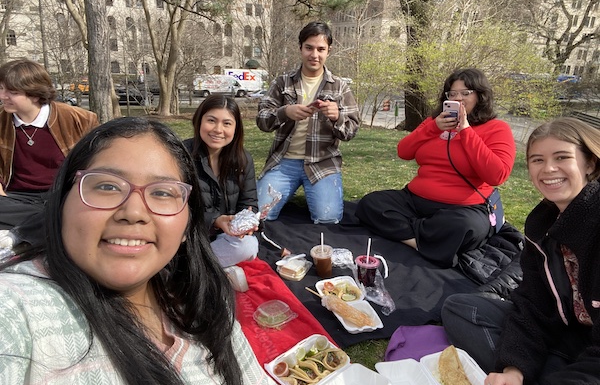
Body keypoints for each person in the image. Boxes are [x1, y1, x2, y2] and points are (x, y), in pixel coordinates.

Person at [0, 117, 278, 385]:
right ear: (61, 202)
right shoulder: (17, 310)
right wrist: (218, 221)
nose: (133, 212)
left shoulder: (207, 303)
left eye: (163, 192)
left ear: (186, 226)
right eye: (107, 186)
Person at [441, 117, 600, 385]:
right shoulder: (542, 225)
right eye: (537, 160)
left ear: (590, 164)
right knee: (461, 308)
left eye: (562, 157)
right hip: (571, 333)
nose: (548, 169)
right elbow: (534, 303)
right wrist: (513, 367)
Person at [356, 68, 516, 268]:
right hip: (415, 201)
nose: (458, 98)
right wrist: (433, 128)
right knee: (371, 203)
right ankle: (424, 241)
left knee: (466, 228)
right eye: (452, 94)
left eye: (465, 93)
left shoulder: (497, 128)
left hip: (462, 209)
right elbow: (403, 151)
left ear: (480, 96)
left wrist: (466, 131)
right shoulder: (434, 122)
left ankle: (413, 232)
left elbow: (497, 175)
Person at [256, 21, 360, 224]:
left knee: (327, 219)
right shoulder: (282, 83)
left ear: (328, 51)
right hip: (283, 162)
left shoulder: (340, 87)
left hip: (322, 163)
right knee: (260, 215)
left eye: (321, 49)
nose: (315, 55)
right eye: (309, 48)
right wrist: (285, 112)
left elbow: (351, 130)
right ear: (300, 48)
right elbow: (262, 120)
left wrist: (337, 116)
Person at [0, 59, 98, 238]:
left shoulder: (79, 119)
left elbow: (97, 164)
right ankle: (53, 223)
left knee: (83, 209)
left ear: (35, 94)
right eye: (1, 89)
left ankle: (35, 228)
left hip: (64, 194)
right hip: (17, 198)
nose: (2, 96)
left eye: (12, 92)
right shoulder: (1, 122)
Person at [183, 95, 259, 268]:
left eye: (227, 123)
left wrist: (246, 223)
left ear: (236, 128)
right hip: (190, 236)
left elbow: (250, 203)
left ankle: (200, 268)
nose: (218, 129)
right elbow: (173, 209)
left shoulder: (243, 159)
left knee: (249, 246)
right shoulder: (181, 156)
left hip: (224, 238)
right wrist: (215, 220)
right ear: (199, 121)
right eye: (211, 120)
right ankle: (204, 268)